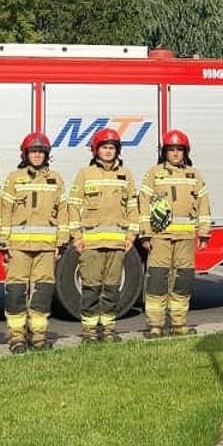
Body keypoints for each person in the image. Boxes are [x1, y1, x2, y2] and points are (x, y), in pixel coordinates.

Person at [65, 128, 138, 342]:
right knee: (90, 288)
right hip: (91, 244)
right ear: (96, 150)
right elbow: (73, 206)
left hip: (117, 244)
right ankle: (89, 332)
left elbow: (133, 207)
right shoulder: (85, 174)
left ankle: (108, 330)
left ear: (117, 150)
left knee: (112, 289)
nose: (108, 151)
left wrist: (131, 236)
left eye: (111, 148)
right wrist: (76, 236)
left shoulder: (126, 175)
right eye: (104, 147)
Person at [139, 129, 211, 337]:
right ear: (165, 152)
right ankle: (155, 326)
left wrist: (204, 233)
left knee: (182, 281)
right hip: (160, 238)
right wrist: (145, 235)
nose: (176, 154)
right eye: (171, 150)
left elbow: (203, 204)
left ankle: (179, 325)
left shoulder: (194, 175)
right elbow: (143, 205)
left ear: (185, 152)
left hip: (186, 238)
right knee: (157, 281)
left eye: (179, 149)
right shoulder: (153, 174)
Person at [0, 132, 64, 353]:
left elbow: (64, 213)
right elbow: (4, 211)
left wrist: (60, 243)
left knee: (42, 292)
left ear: (47, 155)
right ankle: (17, 337)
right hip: (18, 248)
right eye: (33, 151)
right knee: (16, 292)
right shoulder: (14, 178)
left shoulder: (56, 180)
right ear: (25, 154)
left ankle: (38, 336)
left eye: (41, 152)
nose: (37, 155)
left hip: (45, 248)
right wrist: (3, 241)